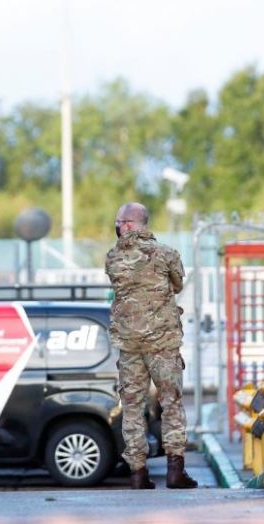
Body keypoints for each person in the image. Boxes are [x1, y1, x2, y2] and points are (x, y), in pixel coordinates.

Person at [105, 202, 197, 489]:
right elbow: (178, 283)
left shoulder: (112, 257)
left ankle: (138, 473)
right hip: (163, 343)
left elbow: (120, 283)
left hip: (130, 345)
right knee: (171, 403)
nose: (117, 226)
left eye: (119, 221)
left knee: (132, 407)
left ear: (129, 224)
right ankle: (175, 470)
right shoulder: (167, 254)